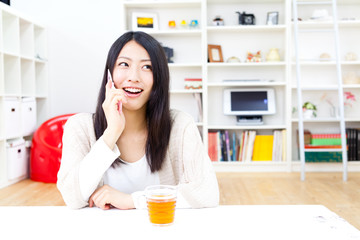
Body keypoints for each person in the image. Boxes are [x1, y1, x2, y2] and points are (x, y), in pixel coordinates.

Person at [57, 31, 219, 210]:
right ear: (110, 75)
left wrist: (132, 201)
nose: (134, 77)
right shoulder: (80, 127)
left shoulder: (180, 125)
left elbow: (207, 193)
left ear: (158, 79)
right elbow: (72, 198)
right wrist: (111, 133)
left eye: (147, 67)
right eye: (124, 64)